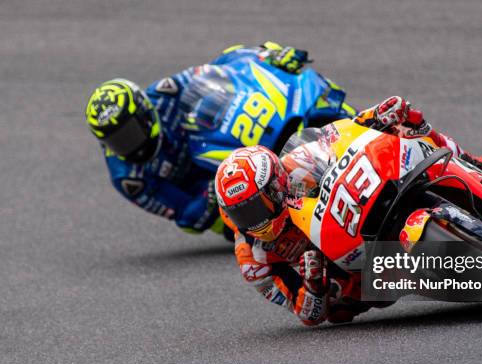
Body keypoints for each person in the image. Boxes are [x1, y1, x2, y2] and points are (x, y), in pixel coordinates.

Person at [215, 96, 482, 325]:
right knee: (340, 308)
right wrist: (313, 285)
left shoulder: (298, 163)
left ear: (276, 185)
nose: (254, 219)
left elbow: (341, 134)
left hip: (355, 210)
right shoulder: (253, 261)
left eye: (258, 205)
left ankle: (477, 164)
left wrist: (377, 114)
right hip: (355, 278)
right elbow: (307, 314)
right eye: (242, 213)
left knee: (408, 128)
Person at [84, 42, 313, 235]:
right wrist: (210, 193)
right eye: (116, 140)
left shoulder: (165, 94)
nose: (129, 145)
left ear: (144, 112)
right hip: (209, 195)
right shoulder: (129, 178)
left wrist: (268, 54)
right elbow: (187, 220)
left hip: (218, 146)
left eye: (129, 133)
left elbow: (223, 64)